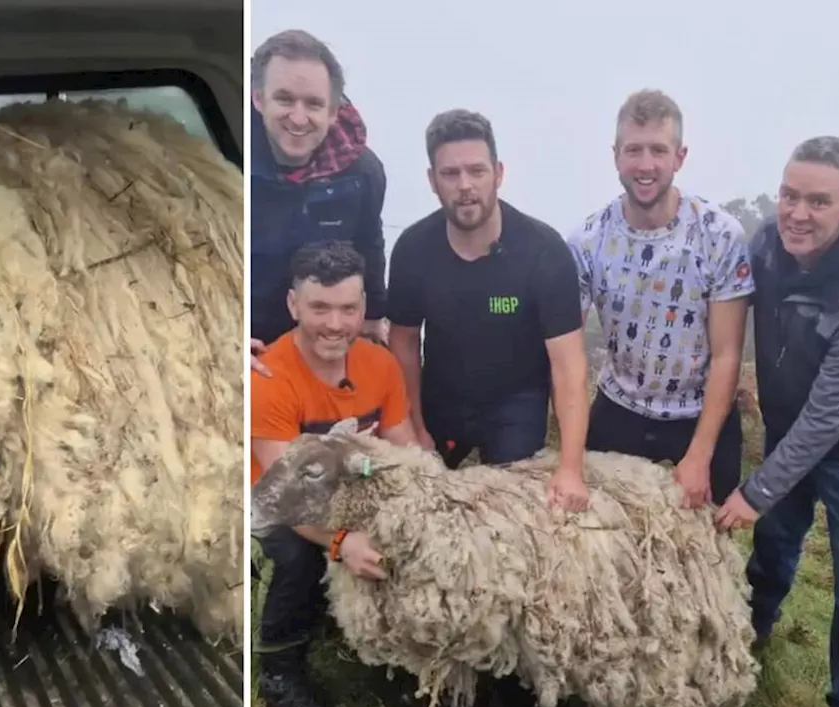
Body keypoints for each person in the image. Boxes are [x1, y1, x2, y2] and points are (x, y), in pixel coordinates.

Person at [714, 136, 839, 707]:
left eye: (818, 202)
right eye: (789, 195)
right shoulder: (766, 249)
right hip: (784, 427)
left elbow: (831, 415)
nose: (798, 214)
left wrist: (757, 490)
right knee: (774, 549)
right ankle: (749, 637)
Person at [384, 108, 590, 511]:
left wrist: (571, 468)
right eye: (450, 173)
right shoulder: (412, 250)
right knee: (417, 506)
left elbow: (569, 367)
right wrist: (415, 429)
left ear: (498, 173)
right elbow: (404, 344)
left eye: (477, 171)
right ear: (432, 180)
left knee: (511, 512)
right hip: (442, 396)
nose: (465, 186)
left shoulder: (544, 253)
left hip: (515, 401)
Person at [250, 241, 416, 707]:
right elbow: (287, 496)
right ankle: (280, 666)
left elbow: (402, 441)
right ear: (293, 304)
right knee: (295, 557)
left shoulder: (379, 364)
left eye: (347, 308)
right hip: (277, 501)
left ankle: (395, 657)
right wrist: (341, 542)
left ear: (363, 307)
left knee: (409, 537)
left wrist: (429, 498)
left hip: (353, 488)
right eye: (319, 308)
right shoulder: (271, 379)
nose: (335, 324)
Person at [564, 89, 752, 508]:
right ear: (616, 155)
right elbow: (570, 354)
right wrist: (570, 462)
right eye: (634, 150)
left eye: (658, 150)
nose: (645, 165)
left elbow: (726, 355)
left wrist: (700, 456)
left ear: (679, 157)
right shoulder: (587, 241)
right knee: (598, 533)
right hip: (621, 405)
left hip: (700, 411)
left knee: (708, 541)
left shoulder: (720, 235)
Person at [248, 29, 389, 376]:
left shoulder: (363, 173)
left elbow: (369, 244)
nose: (298, 118)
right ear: (258, 99)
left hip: (318, 339)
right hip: (249, 339)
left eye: (313, 104)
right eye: (284, 99)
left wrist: (372, 317)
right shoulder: (225, 164)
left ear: (333, 111)